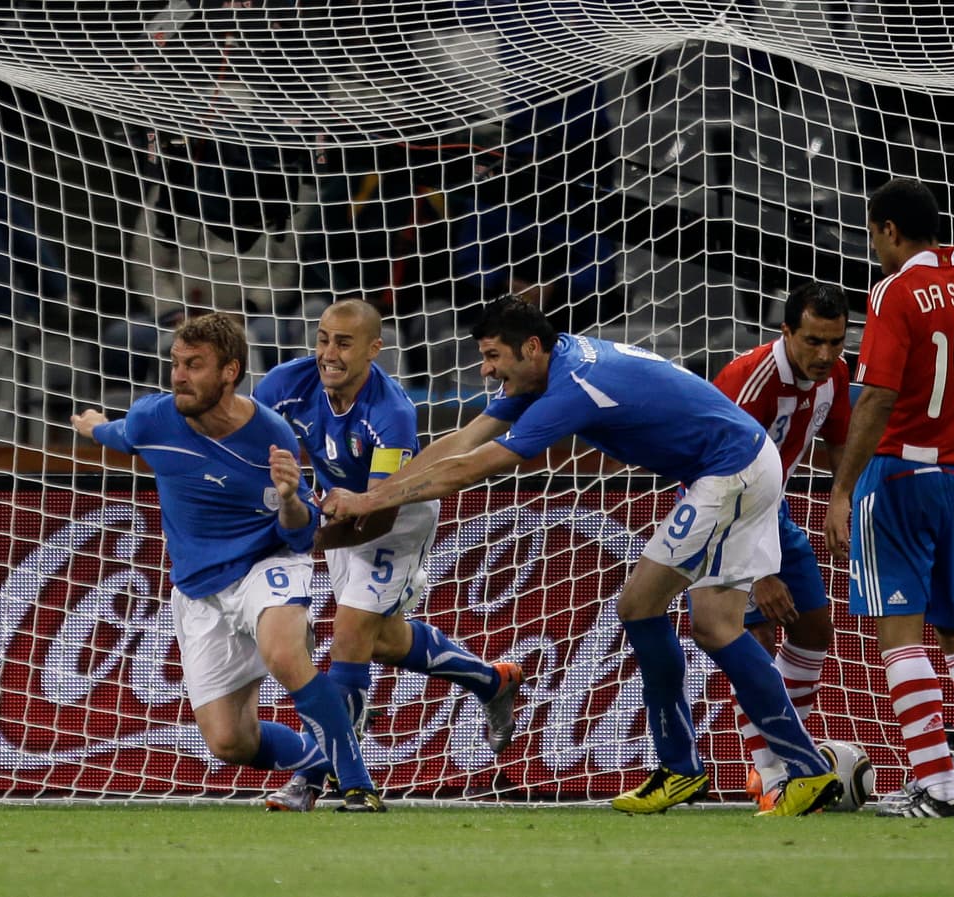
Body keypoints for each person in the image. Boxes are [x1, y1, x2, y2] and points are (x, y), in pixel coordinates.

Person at [322, 295, 843, 816]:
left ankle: (763, 768)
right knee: (702, 621)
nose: (485, 370)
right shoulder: (547, 369)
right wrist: (384, 490)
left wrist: (370, 500)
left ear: (530, 348)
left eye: (492, 357)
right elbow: (462, 440)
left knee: (651, 609)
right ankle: (714, 769)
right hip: (736, 467)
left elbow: (474, 467)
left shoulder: (571, 388)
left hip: (731, 471)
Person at [70, 312, 386, 811]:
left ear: (229, 371)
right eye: (176, 363)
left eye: (194, 365)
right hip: (200, 588)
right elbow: (119, 434)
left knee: (284, 653)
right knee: (229, 741)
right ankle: (315, 765)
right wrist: (92, 427)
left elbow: (302, 533)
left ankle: (357, 783)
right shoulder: (155, 418)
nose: (179, 376)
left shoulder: (269, 433)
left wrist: (288, 498)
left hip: (267, 561)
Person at [252, 299, 524, 811]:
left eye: (344, 343)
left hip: (395, 518)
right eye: (323, 338)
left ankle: (321, 775)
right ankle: (491, 680)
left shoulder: (391, 412)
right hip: (331, 513)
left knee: (350, 637)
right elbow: (252, 451)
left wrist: (308, 541)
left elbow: (377, 514)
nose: (329, 354)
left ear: (375, 349)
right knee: (382, 640)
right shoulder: (285, 385)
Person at [823, 177, 954, 818]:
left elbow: (878, 395)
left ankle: (937, 785)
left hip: (902, 476)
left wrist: (842, 488)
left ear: (888, 230)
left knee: (901, 635)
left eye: (873, 235)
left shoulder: (894, 290)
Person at [710, 281, 852, 810]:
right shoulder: (753, 381)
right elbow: (725, 479)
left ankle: (789, 755)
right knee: (757, 635)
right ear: (786, 331)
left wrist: (840, 499)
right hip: (722, 513)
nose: (825, 355)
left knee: (814, 627)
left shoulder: (837, 373)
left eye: (835, 342)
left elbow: (839, 439)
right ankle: (771, 776)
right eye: (813, 341)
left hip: (774, 508)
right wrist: (760, 572)